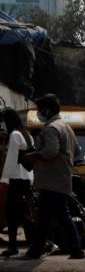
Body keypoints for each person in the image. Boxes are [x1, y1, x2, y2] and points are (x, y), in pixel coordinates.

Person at [21, 94, 85, 260]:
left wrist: (32, 156)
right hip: (60, 178)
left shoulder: (51, 128)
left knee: (60, 216)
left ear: (47, 110)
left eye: (40, 110)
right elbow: (77, 152)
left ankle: (77, 250)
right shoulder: (66, 127)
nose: (39, 113)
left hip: (52, 180)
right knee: (45, 218)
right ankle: (36, 250)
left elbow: (50, 151)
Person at [2, 108, 34, 257]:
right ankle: (15, 245)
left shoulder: (15, 135)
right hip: (26, 178)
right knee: (17, 213)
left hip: (16, 177)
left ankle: (34, 243)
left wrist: (4, 178)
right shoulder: (27, 134)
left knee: (18, 213)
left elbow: (11, 158)